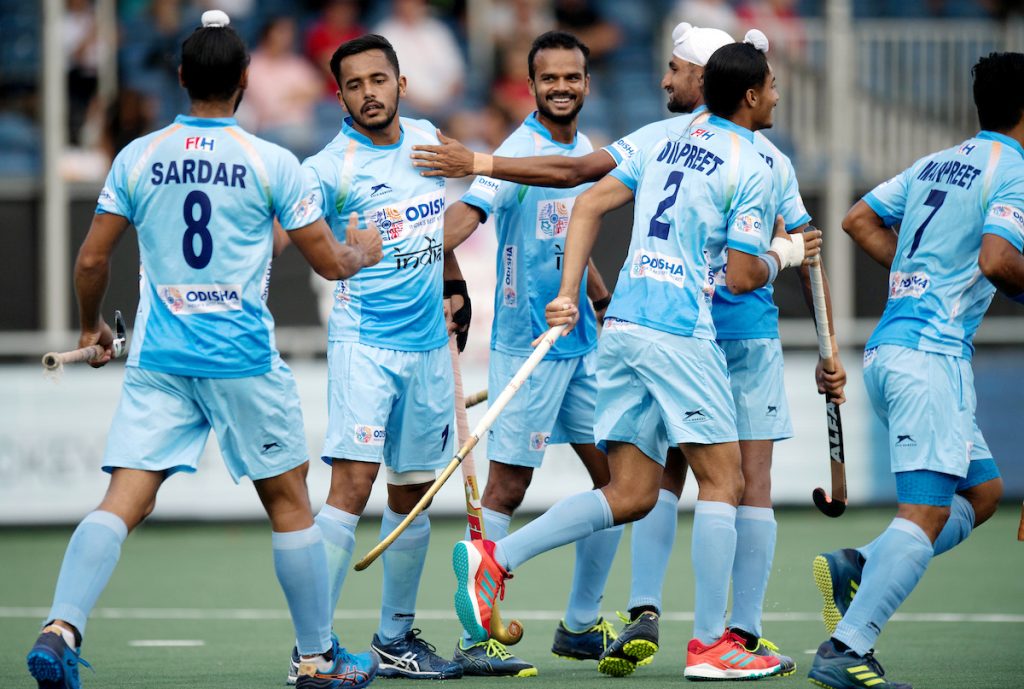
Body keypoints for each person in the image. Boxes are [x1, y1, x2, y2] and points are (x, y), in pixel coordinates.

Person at [412, 22, 846, 677]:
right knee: (727, 480)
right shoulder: (758, 162)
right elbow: (740, 275)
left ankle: (498, 560)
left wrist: (574, 291)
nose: (778, 97)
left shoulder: (663, 140)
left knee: (632, 490)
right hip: (680, 330)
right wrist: (786, 251)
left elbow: (584, 201)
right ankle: (711, 645)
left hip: (619, 332)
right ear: (749, 96)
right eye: (774, 88)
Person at [24, 11, 383, 689]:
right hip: (241, 359)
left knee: (123, 498)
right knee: (290, 503)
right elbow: (331, 264)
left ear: (182, 77)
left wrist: (89, 327)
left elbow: (92, 259)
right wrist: (361, 250)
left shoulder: (138, 156)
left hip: (160, 359)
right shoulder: (272, 161)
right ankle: (316, 660)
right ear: (246, 80)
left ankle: (61, 626)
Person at [809, 51, 1024, 689]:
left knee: (981, 495)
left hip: (891, 349)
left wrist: (915, 280)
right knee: (926, 511)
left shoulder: (941, 160)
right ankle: (847, 649)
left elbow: (857, 219)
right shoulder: (1012, 169)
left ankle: (859, 564)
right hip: (930, 358)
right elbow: (997, 262)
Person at [289, 33, 465, 683]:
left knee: (413, 490)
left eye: (378, 80)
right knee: (352, 486)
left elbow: (436, 226)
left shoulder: (428, 141)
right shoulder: (329, 167)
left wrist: (454, 284)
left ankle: (395, 638)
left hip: (425, 346)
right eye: (355, 84)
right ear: (339, 96)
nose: (369, 93)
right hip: (365, 345)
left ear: (401, 83)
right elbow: (283, 232)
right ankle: (312, 648)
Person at [443, 30, 618, 678]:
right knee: (509, 485)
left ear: (587, 83)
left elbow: (573, 235)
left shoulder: (585, 147)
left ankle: (579, 623)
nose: (563, 87)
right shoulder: (515, 151)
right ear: (532, 83)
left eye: (573, 77)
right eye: (551, 79)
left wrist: (600, 294)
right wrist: (431, 251)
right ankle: (475, 631)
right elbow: (468, 212)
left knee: (620, 481)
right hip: (528, 345)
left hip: (583, 343)